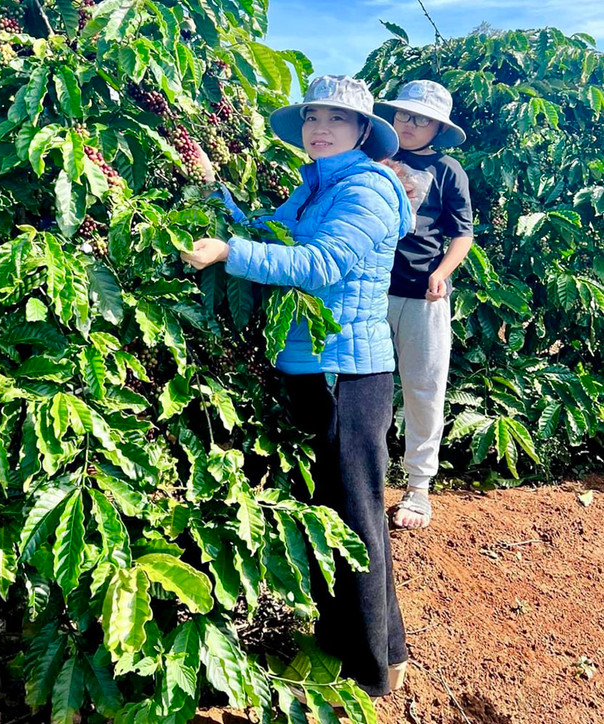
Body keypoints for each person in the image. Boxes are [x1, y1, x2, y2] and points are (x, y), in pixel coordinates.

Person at [182, 75, 412, 699]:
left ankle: (372, 672)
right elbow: (264, 231)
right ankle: (364, 647)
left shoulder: (366, 190)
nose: (319, 127)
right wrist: (215, 193)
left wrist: (229, 251)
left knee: (358, 516)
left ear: (363, 130)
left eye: (336, 119)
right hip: (309, 367)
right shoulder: (314, 187)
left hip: (351, 373)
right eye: (313, 116)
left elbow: (321, 265)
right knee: (336, 514)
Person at [374, 81, 473, 530]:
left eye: (422, 119)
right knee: (363, 389)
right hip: (370, 291)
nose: (409, 124)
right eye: (403, 115)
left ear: (438, 128)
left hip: (423, 298)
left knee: (423, 390)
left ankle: (418, 488)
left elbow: (463, 233)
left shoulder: (448, 170)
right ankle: (366, 479)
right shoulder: (371, 156)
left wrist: (442, 272)